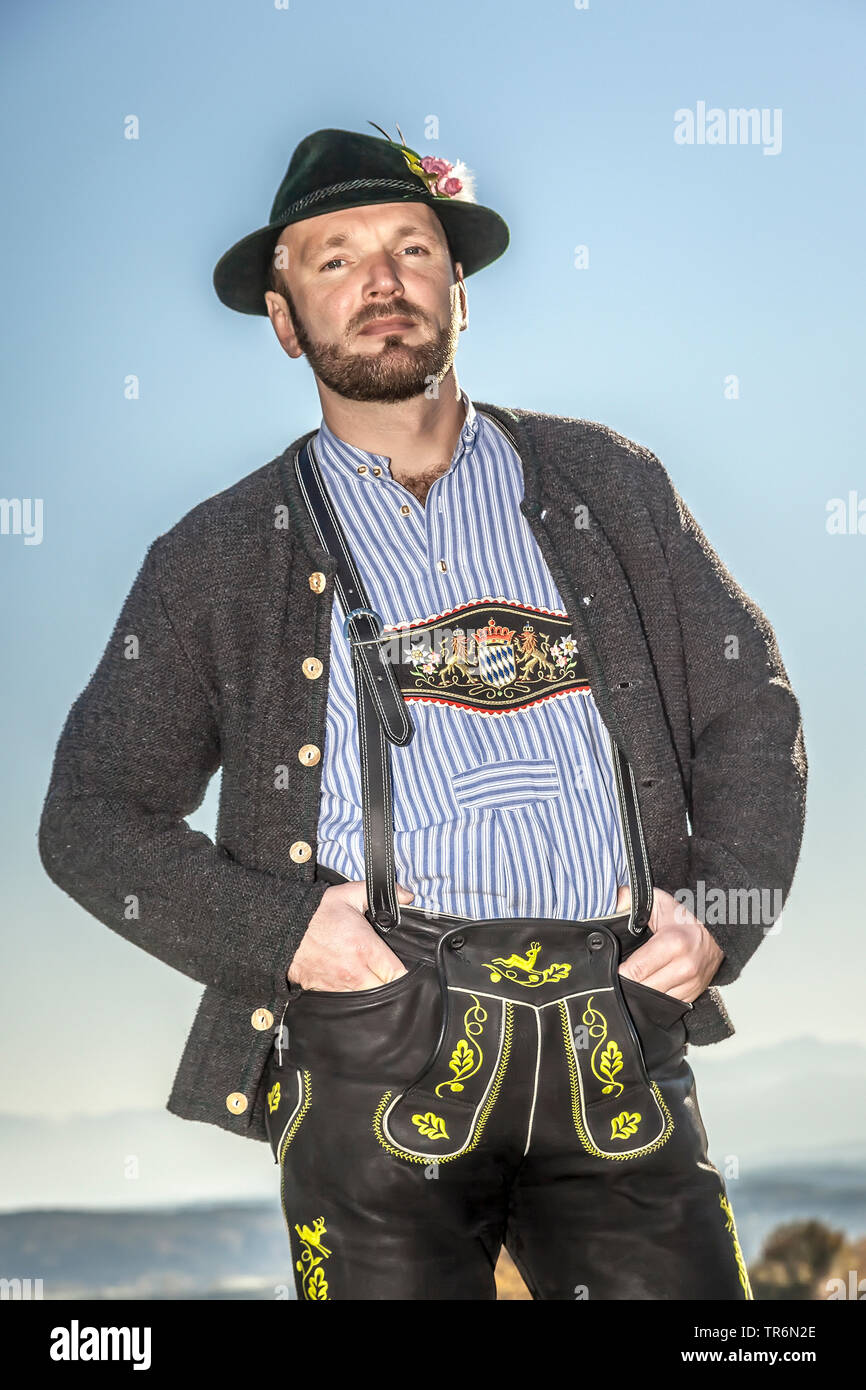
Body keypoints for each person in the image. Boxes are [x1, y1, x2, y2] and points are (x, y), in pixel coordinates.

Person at [38, 123, 807, 1301]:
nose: (380, 280)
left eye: (411, 246)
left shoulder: (607, 480)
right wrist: (285, 935)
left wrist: (714, 919)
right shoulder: (215, 554)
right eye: (333, 258)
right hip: (371, 1048)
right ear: (285, 317)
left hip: (620, 1025)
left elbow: (749, 705)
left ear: (458, 285)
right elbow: (91, 815)